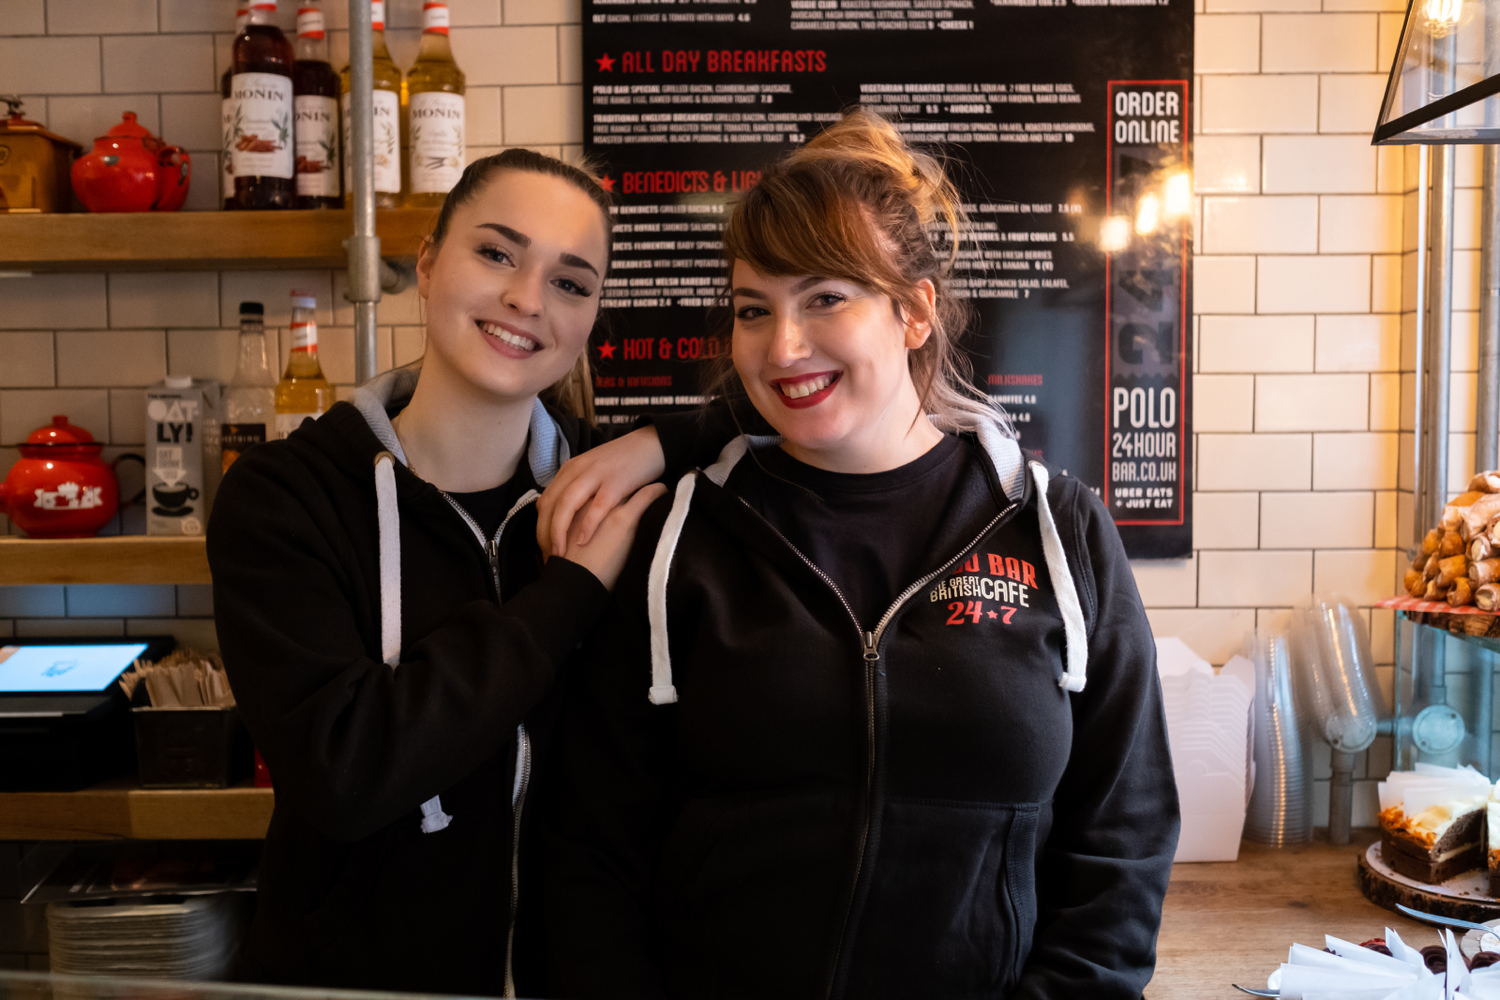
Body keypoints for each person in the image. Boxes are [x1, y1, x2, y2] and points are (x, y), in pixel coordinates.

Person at [543, 109, 1180, 1000]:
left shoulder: (1055, 530)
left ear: (915, 312)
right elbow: (589, 852)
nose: (783, 347)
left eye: (825, 298)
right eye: (752, 310)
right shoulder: (679, 538)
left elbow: (1122, 840)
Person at [208, 148, 709, 997]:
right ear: (431, 265)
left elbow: (783, 412)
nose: (527, 299)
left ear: (590, 321)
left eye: (572, 283)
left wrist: (663, 439)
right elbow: (344, 772)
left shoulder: (611, 499)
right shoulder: (286, 498)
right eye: (497, 253)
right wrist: (567, 597)